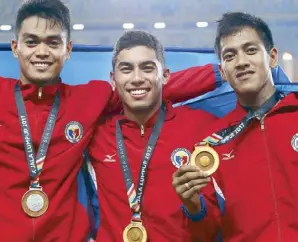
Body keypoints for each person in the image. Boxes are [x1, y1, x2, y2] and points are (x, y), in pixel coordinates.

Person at [0, 0, 223, 241]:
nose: (42, 52)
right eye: (31, 42)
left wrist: (222, 73)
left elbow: (143, 89)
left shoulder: (87, 99)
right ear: (15, 47)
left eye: (53, 42)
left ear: (68, 49)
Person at [172, 12, 298, 242]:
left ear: (272, 57)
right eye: (230, 56)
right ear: (222, 70)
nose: (241, 62)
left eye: (250, 50)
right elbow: (205, 234)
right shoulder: (212, 145)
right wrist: (192, 205)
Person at [87, 30, 220, 242]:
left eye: (147, 68)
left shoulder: (201, 127)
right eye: (126, 69)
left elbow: (215, 227)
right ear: (113, 79)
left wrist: (195, 207)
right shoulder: (96, 133)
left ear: (166, 75)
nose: (137, 78)